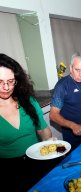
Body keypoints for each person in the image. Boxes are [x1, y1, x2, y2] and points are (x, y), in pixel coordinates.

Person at [0, 53, 58, 191]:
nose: (6, 87)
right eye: (0, 82)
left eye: (11, 81)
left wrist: (49, 140)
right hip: (8, 171)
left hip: (36, 161)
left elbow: (43, 130)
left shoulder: (28, 102)